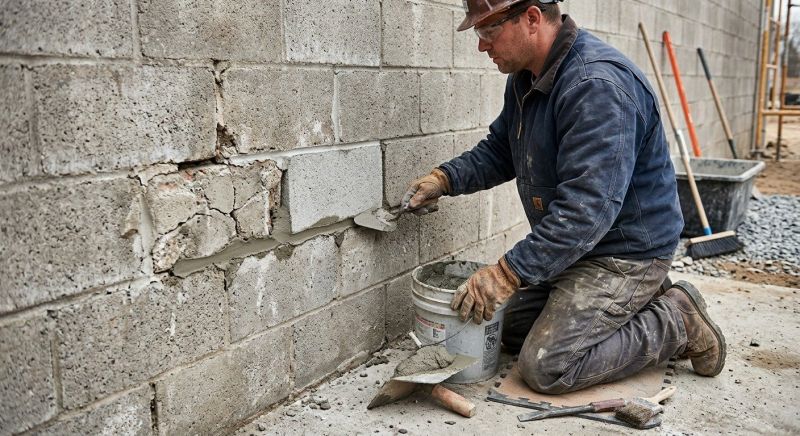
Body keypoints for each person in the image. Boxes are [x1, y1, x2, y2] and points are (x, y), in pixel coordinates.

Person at [400, 0, 726, 394]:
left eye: (488, 31)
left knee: (546, 365)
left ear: (532, 19)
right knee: (506, 325)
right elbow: (503, 151)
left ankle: (676, 319)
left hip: (625, 253)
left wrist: (507, 273)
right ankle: (631, 307)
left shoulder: (596, 87)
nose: (482, 46)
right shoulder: (527, 77)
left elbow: (586, 211)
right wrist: (444, 179)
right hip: (579, 250)